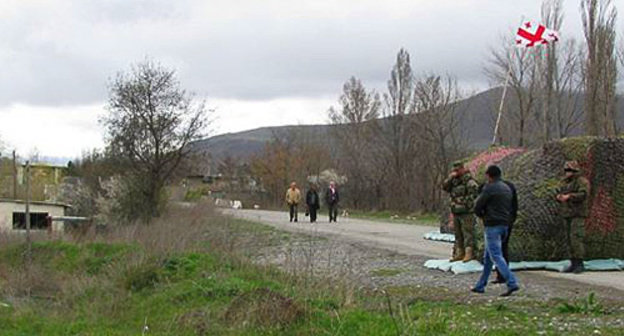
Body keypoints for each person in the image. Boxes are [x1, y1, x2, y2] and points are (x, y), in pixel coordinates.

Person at [471, 165, 519, 297]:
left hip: (492, 225)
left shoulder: (489, 188)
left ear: (489, 175)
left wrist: (482, 216)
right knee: (488, 258)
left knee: (496, 256)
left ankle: (512, 282)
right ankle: (480, 285)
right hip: (505, 225)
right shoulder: (507, 188)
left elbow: (477, 206)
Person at [556, 160, 589, 274]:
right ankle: (573, 262)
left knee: (576, 238)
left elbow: (583, 194)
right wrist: (560, 197)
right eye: (566, 170)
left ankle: (579, 263)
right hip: (567, 213)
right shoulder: (565, 182)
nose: (567, 173)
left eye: (569, 170)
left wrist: (569, 196)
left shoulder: (581, 182)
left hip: (578, 214)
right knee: (569, 239)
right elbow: (560, 191)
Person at [442, 161, 479, 262]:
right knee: (458, 234)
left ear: (462, 169)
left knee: (468, 233)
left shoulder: (468, 180)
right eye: (454, 170)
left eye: (457, 170)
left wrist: (464, 203)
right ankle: (460, 253)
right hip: (456, 211)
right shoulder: (454, 181)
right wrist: (450, 178)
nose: (456, 172)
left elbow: (474, 193)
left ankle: (469, 253)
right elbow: (445, 187)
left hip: (466, 211)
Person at [492, 179, 518, 284]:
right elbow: (515, 206)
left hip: (495, 222)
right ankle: (503, 275)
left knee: (496, 250)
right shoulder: (510, 186)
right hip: (507, 221)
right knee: (503, 248)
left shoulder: (491, 188)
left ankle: (503, 276)